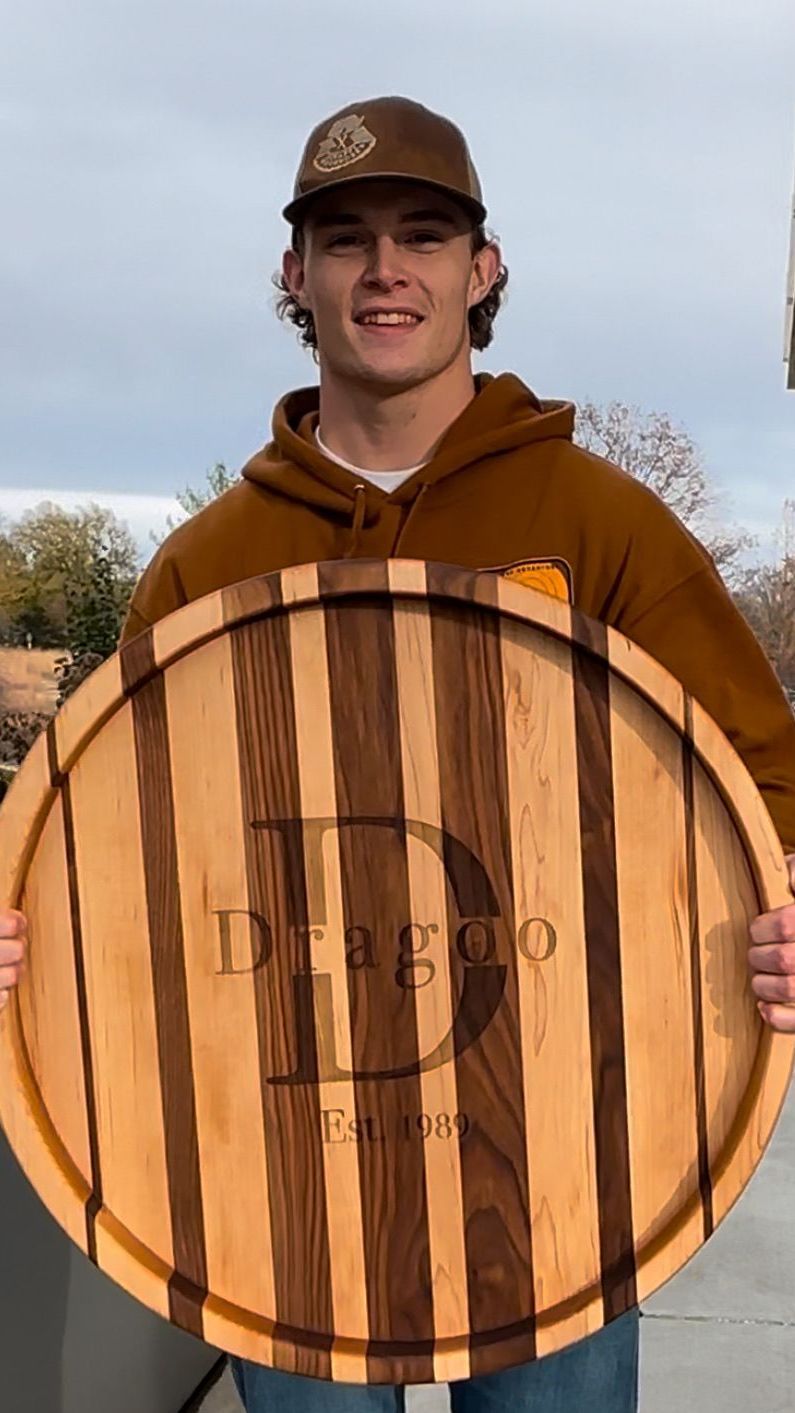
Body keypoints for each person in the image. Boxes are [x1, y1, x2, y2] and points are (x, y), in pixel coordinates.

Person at [2, 94, 795, 1412]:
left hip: (563, 1151)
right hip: (276, 1167)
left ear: (481, 272)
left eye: (424, 235)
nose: (386, 269)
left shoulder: (599, 525)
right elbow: (106, 827)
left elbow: (753, 777)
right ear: (295, 273)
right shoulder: (210, 562)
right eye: (347, 237)